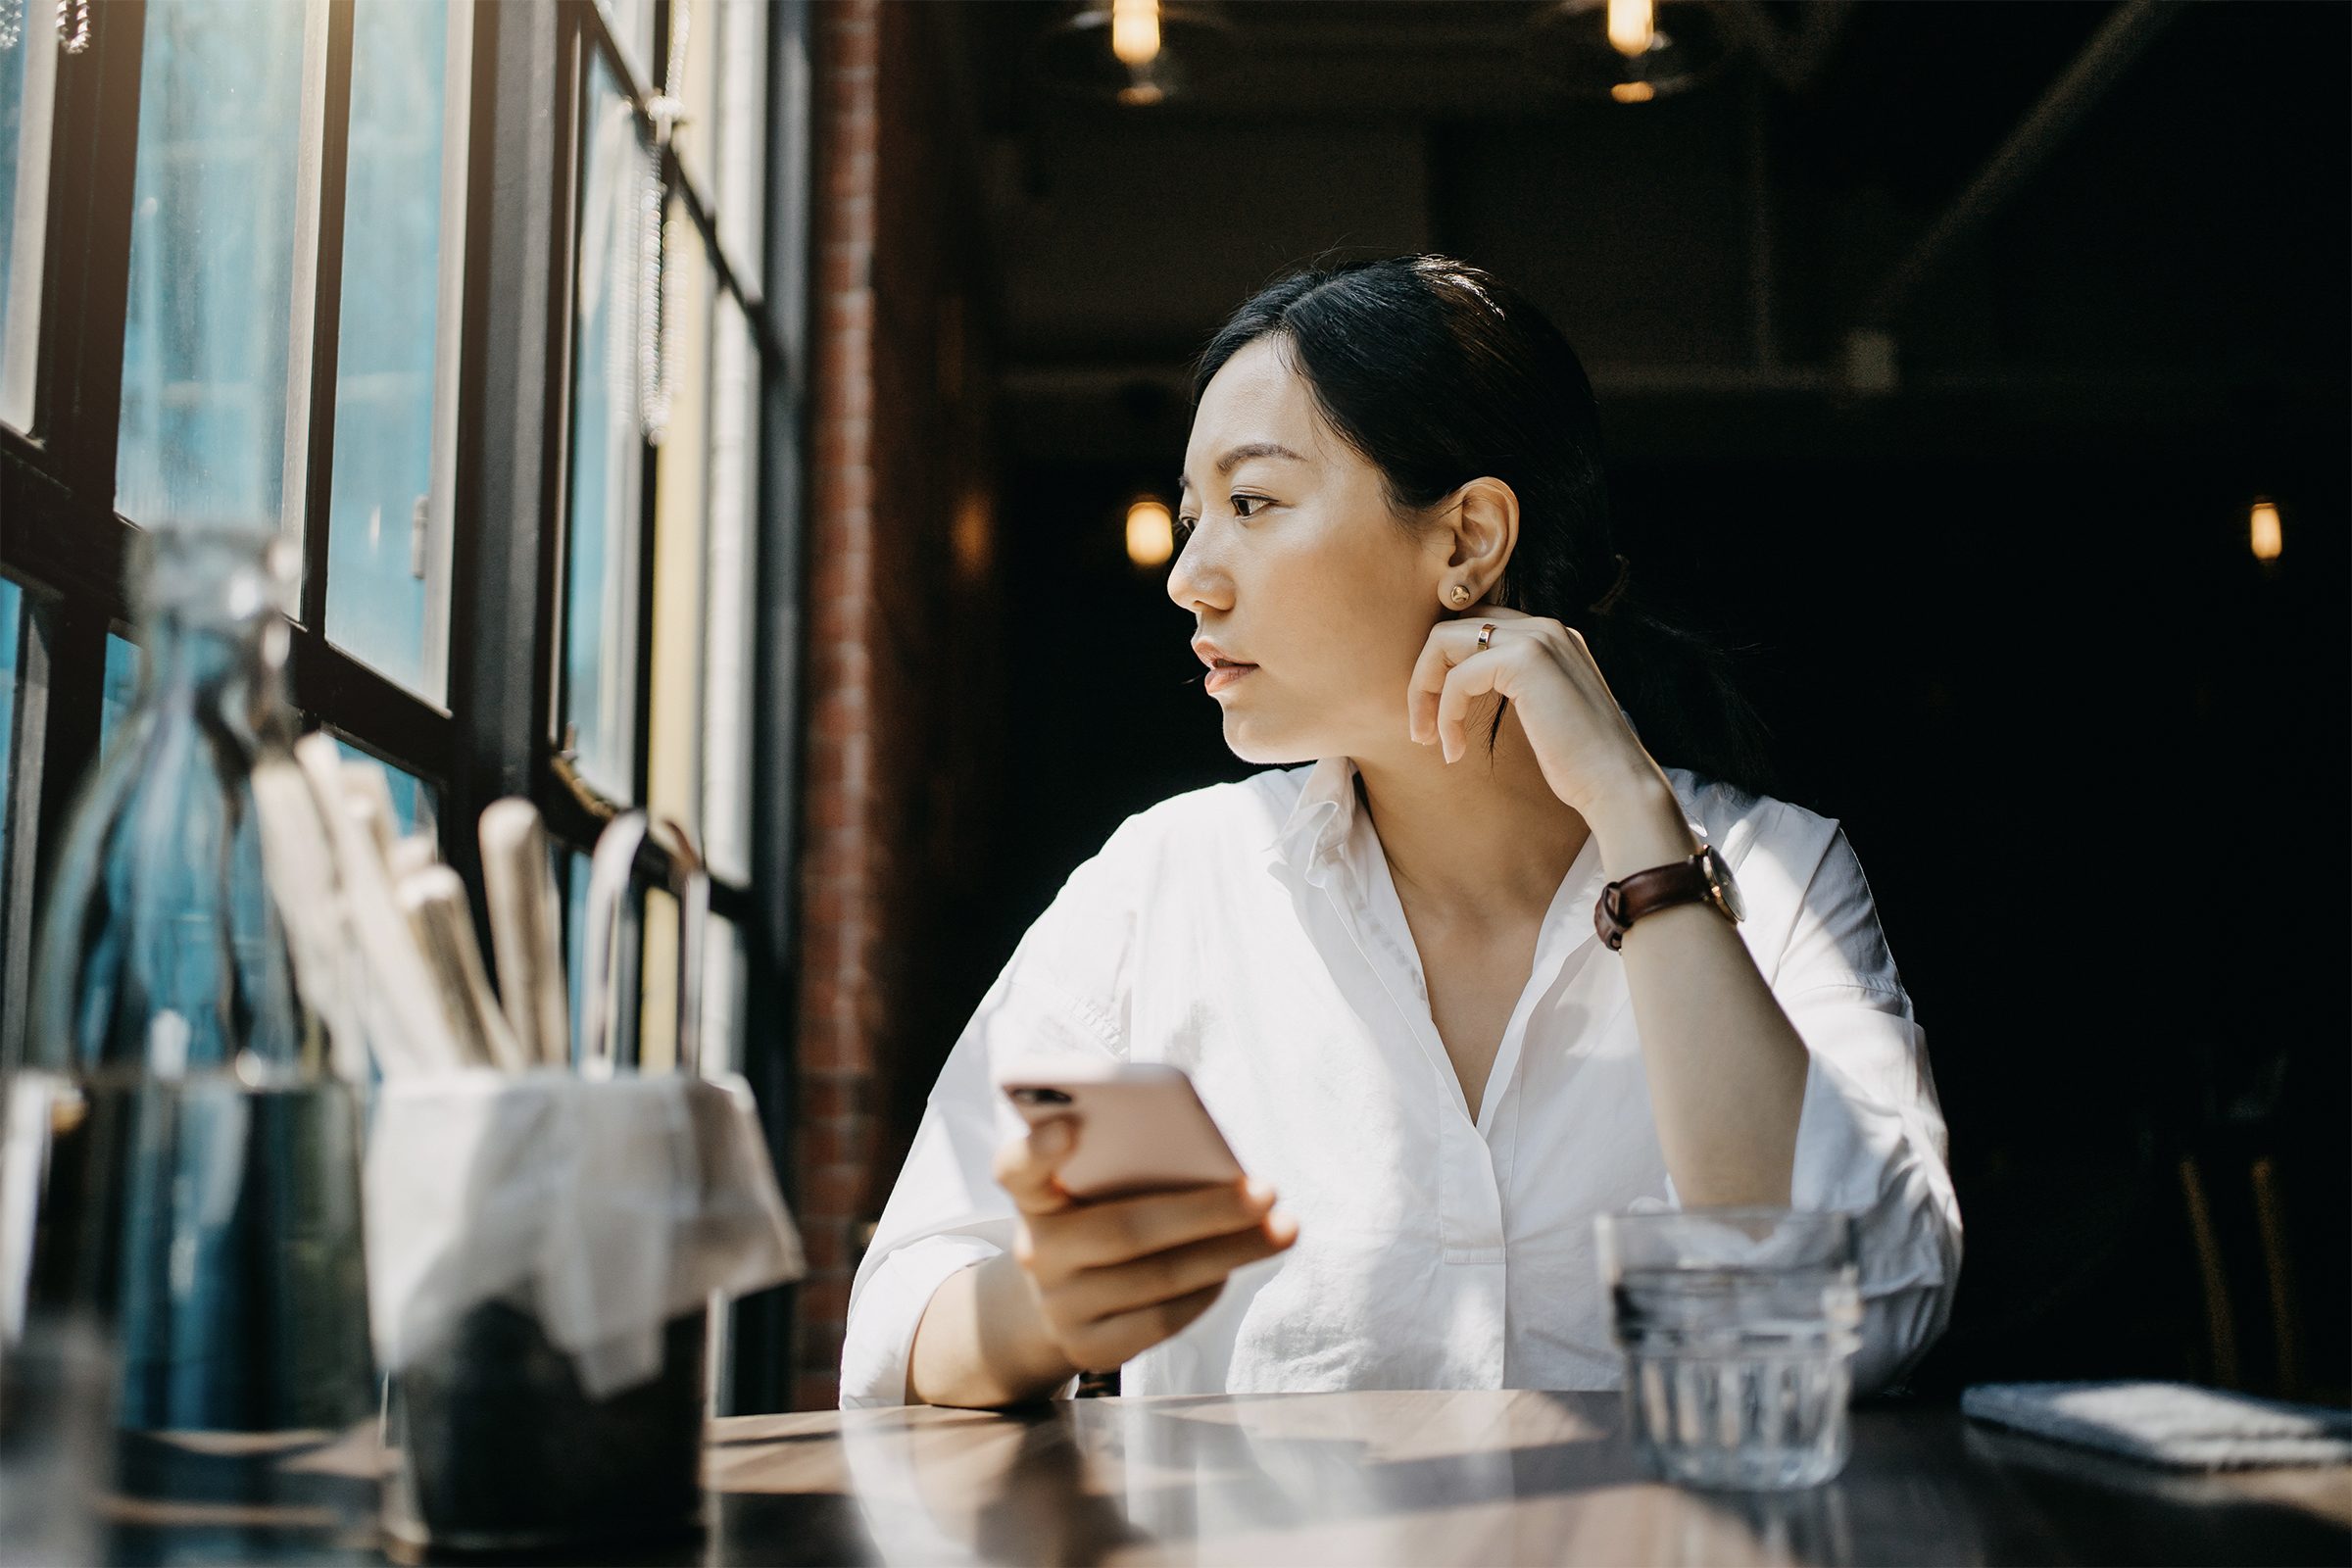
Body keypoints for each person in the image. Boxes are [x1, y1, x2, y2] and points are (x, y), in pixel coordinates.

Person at [840, 255, 1960, 1409]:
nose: (1189, 577)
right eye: (1191, 517)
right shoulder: (1166, 884)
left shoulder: (1774, 879)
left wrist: (1638, 828)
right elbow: (902, 1308)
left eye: (1253, 503)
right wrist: (1045, 1310)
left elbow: (1874, 1306)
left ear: (1469, 539)